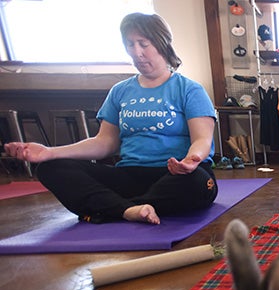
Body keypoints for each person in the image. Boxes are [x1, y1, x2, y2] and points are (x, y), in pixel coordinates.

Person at [5, 13, 217, 224]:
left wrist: (190, 161)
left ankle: (112, 208)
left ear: (162, 43)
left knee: (199, 182)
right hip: (130, 176)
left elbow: (202, 139)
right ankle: (131, 210)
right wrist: (49, 152)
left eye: (143, 44)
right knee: (51, 168)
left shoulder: (189, 90)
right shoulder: (120, 91)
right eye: (130, 45)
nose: (137, 53)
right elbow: (104, 143)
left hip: (176, 176)